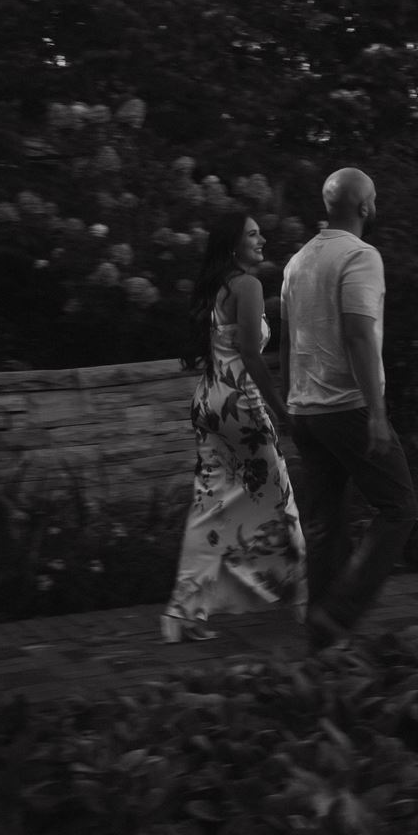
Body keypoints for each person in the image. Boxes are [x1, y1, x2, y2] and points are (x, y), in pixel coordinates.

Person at [279, 167, 418, 651]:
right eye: (374, 199)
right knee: (399, 507)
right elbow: (359, 333)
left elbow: (288, 341)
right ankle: (338, 616)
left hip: (306, 412)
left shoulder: (297, 263)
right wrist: (377, 413)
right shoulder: (361, 255)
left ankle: (321, 644)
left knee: (326, 524)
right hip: (347, 408)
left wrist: (288, 405)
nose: (375, 206)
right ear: (364, 207)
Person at [161, 211, 307, 643]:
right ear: (232, 245)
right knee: (280, 496)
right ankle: (301, 597)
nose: (261, 238)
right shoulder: (247, 285)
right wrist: (283, 412)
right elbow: (251, 354)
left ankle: (182, 614)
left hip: (208, 401)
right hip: (239, 406)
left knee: (210, 507)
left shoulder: (217, 286)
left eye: (260, 231)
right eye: (252, 234)